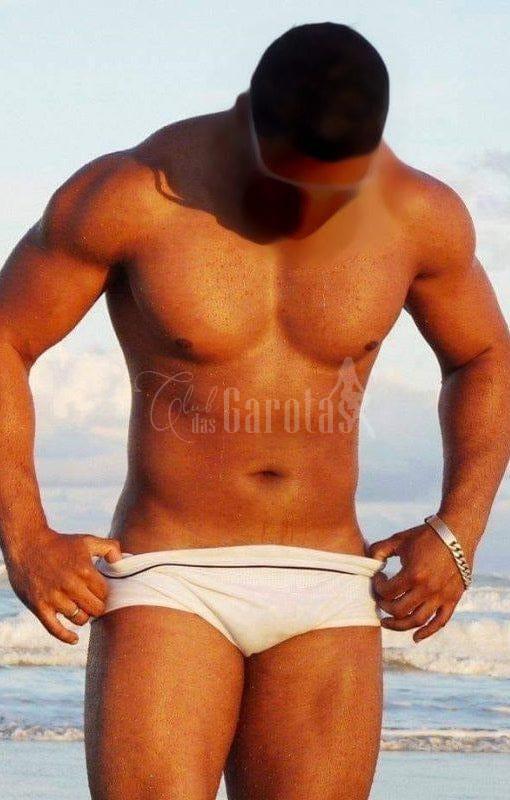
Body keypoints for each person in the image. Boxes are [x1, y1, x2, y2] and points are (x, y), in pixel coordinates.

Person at [0, 20, 509, 800]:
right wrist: (25, 535)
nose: (310, 216)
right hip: (172, 571)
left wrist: (459, 529)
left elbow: (485, 356)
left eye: (335, 193)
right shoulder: (131, 194)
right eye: (290, 186)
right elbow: (7, 338)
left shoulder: (419, 214)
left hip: (332, 577)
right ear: (249, 117)